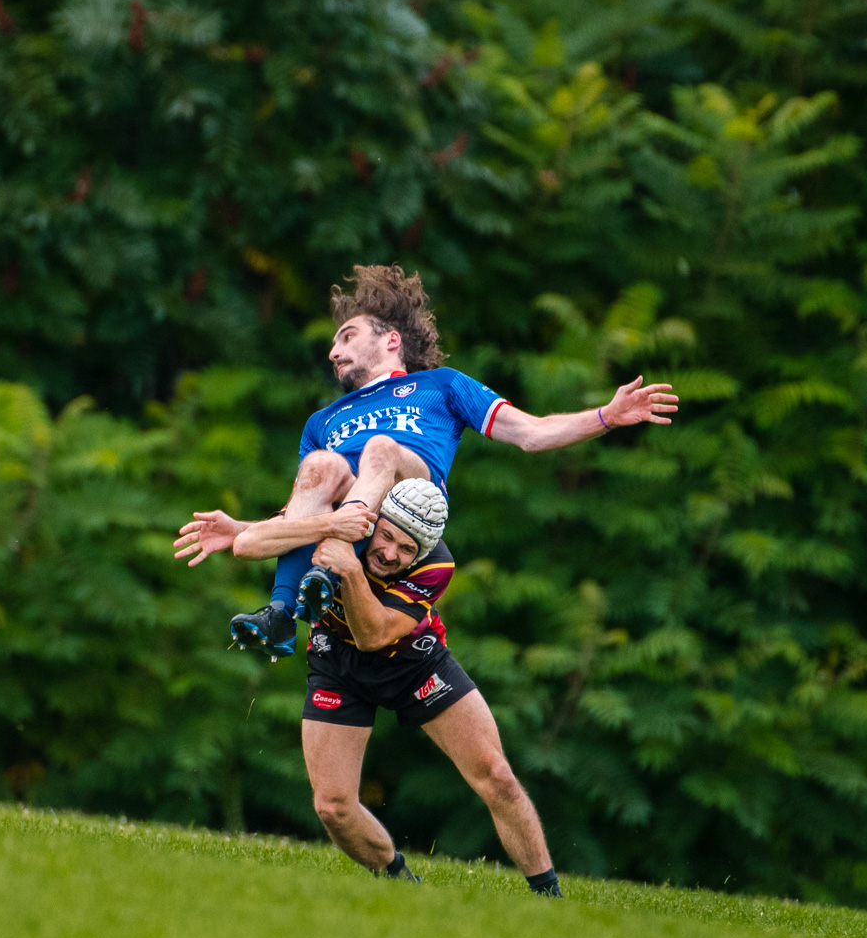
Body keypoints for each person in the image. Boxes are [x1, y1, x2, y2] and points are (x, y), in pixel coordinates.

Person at [174, 263, 677, 652]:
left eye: (347, 337)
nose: (333, 351)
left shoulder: (441, 386)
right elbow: (301, 514)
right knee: (320, 466)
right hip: (349, 520)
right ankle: (282, 614)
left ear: (391, 340)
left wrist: (607, 416)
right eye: (333, 343)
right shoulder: (322, 420)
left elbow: (531, 433)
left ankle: (331, 568)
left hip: (411, 500)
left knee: (381, 447)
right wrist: (241, 529)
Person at [226, 478, 561, 894]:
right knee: (332, 807)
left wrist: (350, 569)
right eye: (386, 537)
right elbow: (270, 536)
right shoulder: (346, 517)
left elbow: (374, 635)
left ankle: (548, 894)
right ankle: (401, 883)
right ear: (373, 520)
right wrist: (239, 528)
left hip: (413, 661)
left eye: (407, 549)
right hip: (336, 662)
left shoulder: (437, 565)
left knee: (497, 776)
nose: (389, 554)